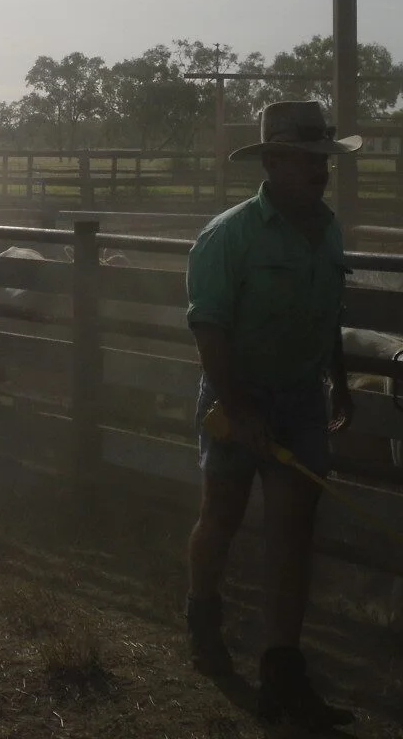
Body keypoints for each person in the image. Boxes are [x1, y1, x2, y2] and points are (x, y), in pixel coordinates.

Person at [184, 99, 358, 727]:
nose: (322, 170)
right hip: (241, 398)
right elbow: (209, 324)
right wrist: (238, 406)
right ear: (277, 161)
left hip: (302, 401)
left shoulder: (328, 229)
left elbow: (326, 311)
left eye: (325, 160)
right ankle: (203, 615)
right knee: (222, 516)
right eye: (311, 160)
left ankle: (282, 676)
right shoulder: (229, 235)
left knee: (293, 534)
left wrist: (338, 383)